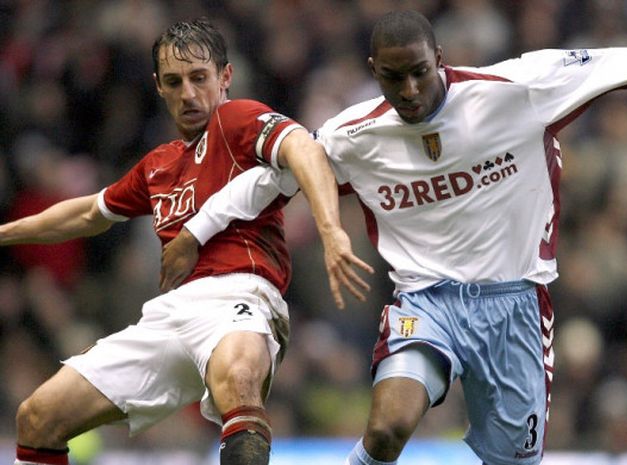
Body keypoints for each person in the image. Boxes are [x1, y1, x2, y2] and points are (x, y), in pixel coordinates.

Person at [159, 10, 627, 465]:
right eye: (394, 78)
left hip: (515, 305)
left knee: (512, 458)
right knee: (388, 427)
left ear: (439, 58)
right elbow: (274, 177)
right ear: (375, 72)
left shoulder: (515, 91)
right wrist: (196, 230)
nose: (411, 90)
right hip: (426, 302)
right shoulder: (357, 136)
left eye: (420, 72)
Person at [0, 17, 371, 465]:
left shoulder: (237, 120)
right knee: (38, 417)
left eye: (200, 78)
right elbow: (85, 213)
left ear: (225, 77)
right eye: (174, 82)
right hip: (170, 314)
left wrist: (330, 229)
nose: (189, 94)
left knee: (237, 379)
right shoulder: (158, 164)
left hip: (241, 296)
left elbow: (303, 147)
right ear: (158, 86)